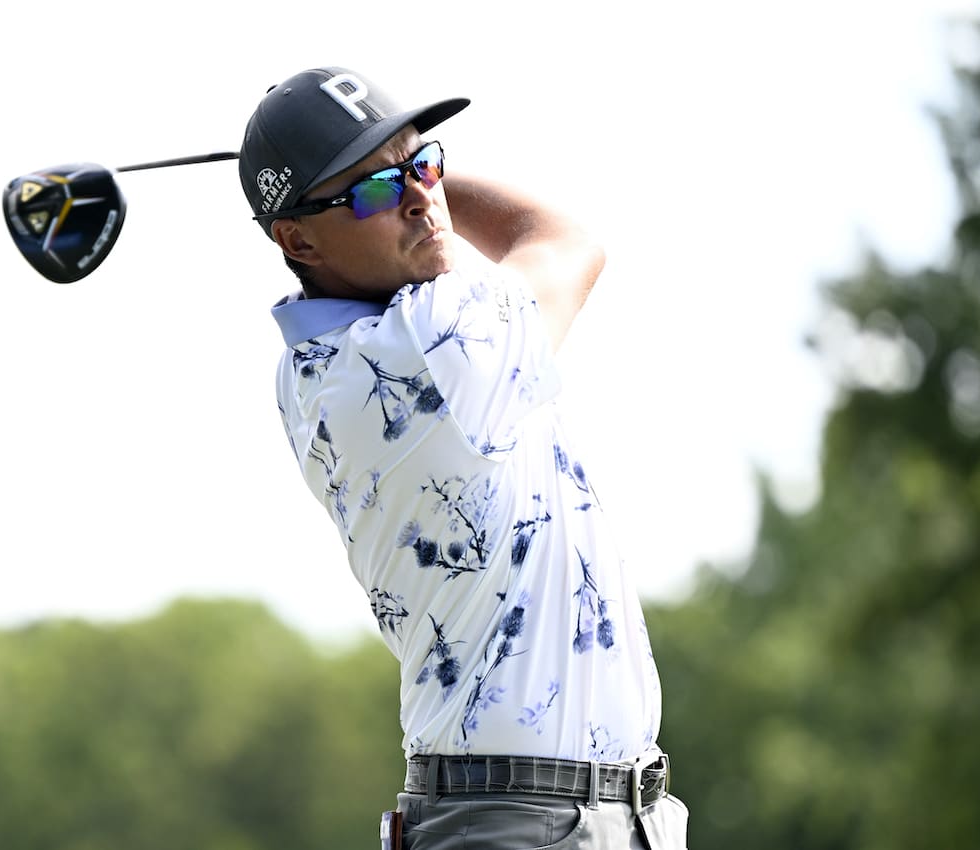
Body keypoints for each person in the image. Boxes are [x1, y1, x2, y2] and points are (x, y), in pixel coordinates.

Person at [238, 66, 689, 850]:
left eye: (426, 166)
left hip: (569, 814)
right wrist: (414, 169)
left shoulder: (310, 366)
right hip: (526, 823)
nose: (420, 197)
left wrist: (381, 172)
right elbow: (565, 242)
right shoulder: (431, 345)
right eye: (376, 191)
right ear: (297, 238)